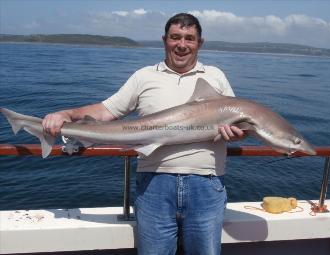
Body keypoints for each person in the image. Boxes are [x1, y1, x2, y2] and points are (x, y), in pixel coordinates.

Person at [42, 13, 244, 255]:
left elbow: (240, 123)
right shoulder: (144, 76)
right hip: (154, 185)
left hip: (207, 184)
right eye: (175, 37)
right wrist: (68, 114)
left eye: (189, 38)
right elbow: (107, 111)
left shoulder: (216, 77)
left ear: (200, 43)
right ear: (164, 39)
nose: (182, 44)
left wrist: (236, 134)